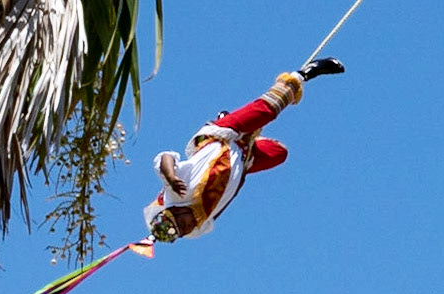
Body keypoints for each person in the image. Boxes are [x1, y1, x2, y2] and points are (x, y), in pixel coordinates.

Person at [143, 57, 345, 243]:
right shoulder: (198, 228)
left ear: (175, 212)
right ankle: (248, 138)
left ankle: (304, 74)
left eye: (183, 224)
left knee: (268, 110)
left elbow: (165, 158)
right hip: (242, 159)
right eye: (183, 232)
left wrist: (170, 176)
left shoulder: (176, 195)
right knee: (279, 153)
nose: (188, 227)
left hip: (222, 137)